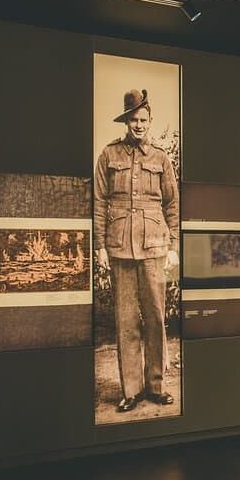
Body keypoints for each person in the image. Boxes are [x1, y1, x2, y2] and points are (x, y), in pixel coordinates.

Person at [93, 89, 180, 412]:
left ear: (150, 120)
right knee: (126, 321)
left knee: (155, 318)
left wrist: (174, 245)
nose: (139, 125)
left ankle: (156, 386)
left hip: (154, 246)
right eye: (134, 119)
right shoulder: (108, 155)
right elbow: (99, 202)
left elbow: (172, 204)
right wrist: (100, 245)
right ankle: (131, 389)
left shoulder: (160, 158)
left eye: (144, 119)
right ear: (126, 121)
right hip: (119, 247)